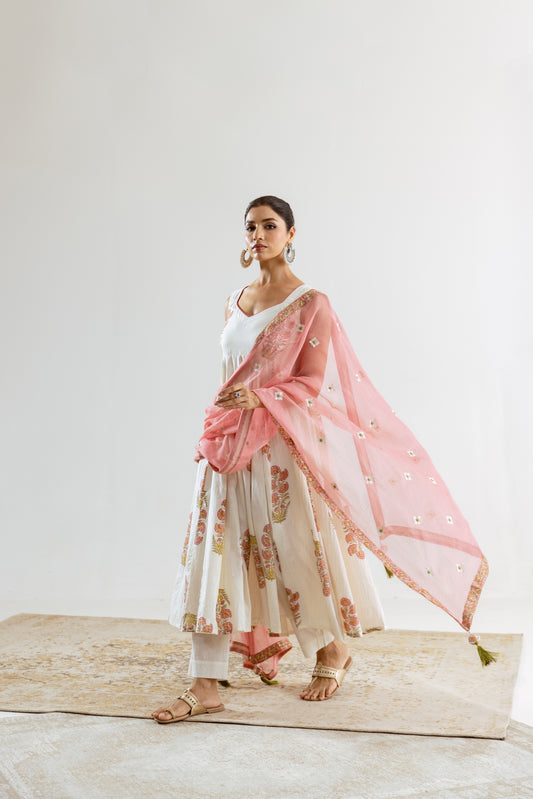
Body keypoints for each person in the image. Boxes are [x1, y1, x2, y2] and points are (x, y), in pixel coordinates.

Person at [151, 195, 488, 724]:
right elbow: (228, 373)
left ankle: (332, 650)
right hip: (227, 446)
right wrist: (226, 418)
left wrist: (258, 398)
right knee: (214, 557)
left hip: (280, 449)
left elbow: (310, 383)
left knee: (296, 554)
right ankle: (204, 682)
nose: (258, 235)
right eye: (250, 227)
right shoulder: (234, 300)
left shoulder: (311, 303)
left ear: (290, 234)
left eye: (269, 226)